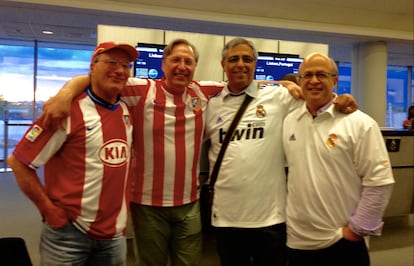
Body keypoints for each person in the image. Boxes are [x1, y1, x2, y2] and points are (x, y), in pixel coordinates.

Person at [39, 38, 356, 266]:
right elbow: (102, 77)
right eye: (175, 60)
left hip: (192, 204)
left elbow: (268, 85)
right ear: (163, 65)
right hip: (147, 204)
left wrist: (333, 97)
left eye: (188, 61)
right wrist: (67, 92)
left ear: (195, 68)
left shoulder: (205, 92)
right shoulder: (141, 90)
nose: (181, 66)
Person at [204, 37, 359, 266]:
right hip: (226, 218)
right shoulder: (211, 104)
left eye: (247, 59)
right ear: (223, 64)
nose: (240, 64)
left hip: (271, 218)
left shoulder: (279, 96)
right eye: (233, 59)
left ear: (255, 63)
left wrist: (340, 99)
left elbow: (316, 100)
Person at [7, 41, 139, 265]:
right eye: (111, 62)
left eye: (126, 65)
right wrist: (48, 210)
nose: (119, 70)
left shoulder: (125, 109)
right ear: (92, 67)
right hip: (69, 235)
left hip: (114, 235)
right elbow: (19, 162)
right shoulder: (65, 111)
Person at [282, 52, 395, 266]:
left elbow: (379, 183)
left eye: (321, 75)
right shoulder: (290, 121)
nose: (314, 81)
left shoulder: (360, 124)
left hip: (341, 243)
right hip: (297, 242)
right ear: (299, 81)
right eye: (307, 75)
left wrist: (356, 231)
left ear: (334, 80)